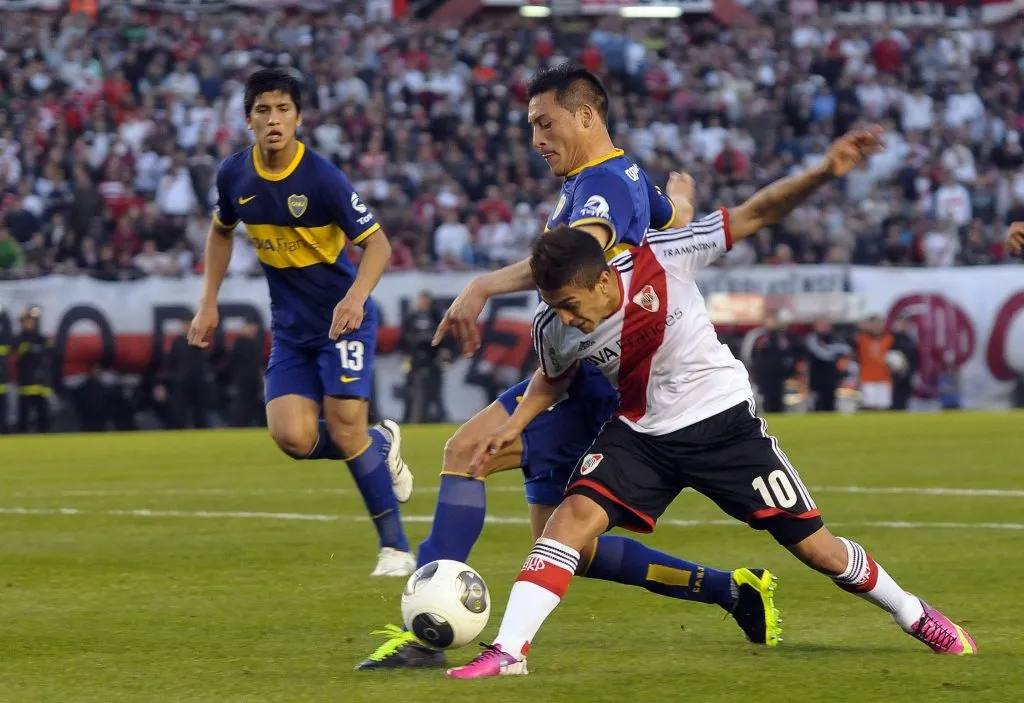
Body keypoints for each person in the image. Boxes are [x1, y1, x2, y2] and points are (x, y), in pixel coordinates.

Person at [449, 126, 975, 680]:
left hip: (724, 427)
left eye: (573, 304)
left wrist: (824, 171)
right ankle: (510, 652)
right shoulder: (552, 326)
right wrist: (517, 425)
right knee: (569, 523)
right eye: (556, 306)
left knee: (820, 551)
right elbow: (550, 381)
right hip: (640, 435)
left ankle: (915, 614)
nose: (569, 317)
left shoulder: (665, 259)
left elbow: (756, 213)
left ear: (605, 278)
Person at [357, 63, 778, 670]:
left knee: (466, 453)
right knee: (565, 547)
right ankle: (733, 591)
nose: (536, 138)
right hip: (580, 373)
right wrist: (682, 196)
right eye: (531, 125)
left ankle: (428, 634)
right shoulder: (622, 175)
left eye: (544, 123)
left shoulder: (603, 185)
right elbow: (674, 222)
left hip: (587, 383)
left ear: (586, 116)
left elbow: (573, 259)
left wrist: (482, 285)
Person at [187, 68, 414, 577]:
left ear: (298, 118)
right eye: (263, 110)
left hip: (343, 320)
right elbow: (221, 231)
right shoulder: (235, 176)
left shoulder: (321, 178)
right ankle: (381, 445)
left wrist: (356, 298)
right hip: (291, 329)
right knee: (292, 437)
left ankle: (396, 549)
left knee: (344, 423)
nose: (274, 119)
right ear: (248, 120)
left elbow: (378, 244)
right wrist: (208, 302)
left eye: (283, 110)